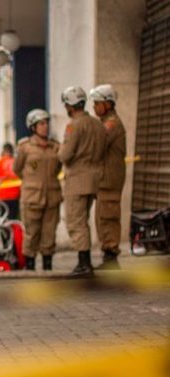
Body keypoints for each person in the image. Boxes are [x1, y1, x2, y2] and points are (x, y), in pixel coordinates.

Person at [58, 86, 106, 277]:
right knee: (83, 220)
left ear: (70, 105)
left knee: (75, 222)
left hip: (77, 180)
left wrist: (59, 151)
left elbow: (65, 155)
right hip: (94, 179)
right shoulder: (97, 124)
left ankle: (84, 263)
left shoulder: (74, 125)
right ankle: (85, 262)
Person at [14, 109, 62, 271]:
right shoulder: (25, 147)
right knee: (32, 233)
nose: (45, 126)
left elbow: (58, 168)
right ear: (33, 127)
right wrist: (31, 182)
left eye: (46, 123)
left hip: (52, 196)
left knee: (49, 233)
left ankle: (48, 266)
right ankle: (30, 266)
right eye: (41, 124)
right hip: (32, 197)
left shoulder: (55, 147)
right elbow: (17, 169)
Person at [90, 84, 126, 270]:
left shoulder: (111, 124)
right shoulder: (106, 121)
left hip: (110, 180)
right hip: (104, 180)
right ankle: (108, 257)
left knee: (108, 218)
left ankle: (111, 258)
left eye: (97, 103)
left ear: (108, 104)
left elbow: (98, 144)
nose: (95, 107)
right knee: (102, 218)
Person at [0, 143, 20, 220]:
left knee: (0, 219)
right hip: (14, 196)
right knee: (12, 219)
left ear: (3, 151)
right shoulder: (17, 163)